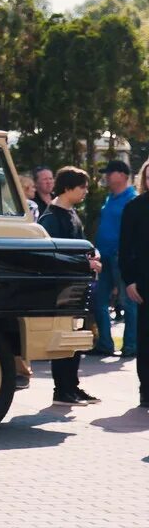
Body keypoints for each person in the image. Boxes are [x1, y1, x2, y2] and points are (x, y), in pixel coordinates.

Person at [37, 166, 99, 406]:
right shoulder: (51, 218)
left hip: (78, 286)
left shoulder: (72, 213)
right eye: (82, 187)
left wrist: (93, 256)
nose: (85, 191)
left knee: (77, 338)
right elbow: (52, 255)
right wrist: (86, 263)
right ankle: (61, 390)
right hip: (61, 289)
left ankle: (72, 386)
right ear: (67, 188)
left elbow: (82, 245)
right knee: (64, 339)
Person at [92, 159, 138, 359]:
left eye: (110, 172)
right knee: (98, 300)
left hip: (121, 255)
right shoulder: (110, 198)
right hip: (104, 256)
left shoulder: (132, 198)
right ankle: (105, 344)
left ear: (122, 175)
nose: (107, 176)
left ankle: (131, 346)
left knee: (128, 302)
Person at [117, 160, 149, 408]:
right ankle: (146, 391)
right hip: (143, 281)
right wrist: (129, 281)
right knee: (146, 338)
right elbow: (125, 248)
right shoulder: (134, 208)